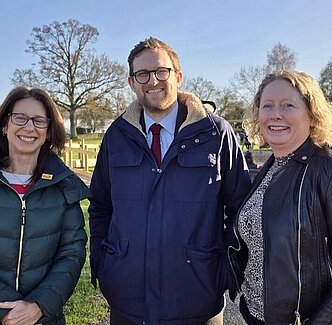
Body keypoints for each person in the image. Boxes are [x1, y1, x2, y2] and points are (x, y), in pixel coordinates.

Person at [88, 37, 251, 325]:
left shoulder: (216, 133)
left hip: (198, 300)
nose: (153, 81)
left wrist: (225, 271)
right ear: (131, 82)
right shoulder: (117, 135)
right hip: (128, 301)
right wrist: (105, 264)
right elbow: (101, 205)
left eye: (161, 71)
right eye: (143, 74)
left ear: (178, 76)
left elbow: (241, 210)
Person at [228, 70, 332, 325]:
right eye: (267, 106)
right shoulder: (272, 166)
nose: (276, 114)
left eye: (288, 105)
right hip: (255, 316)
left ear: (311, 115)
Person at [0, 86, 89, 325]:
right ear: (4, 125)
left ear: (49, 132)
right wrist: (5, 310)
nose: (29, 127)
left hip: (42, 318)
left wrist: (38, 306)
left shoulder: (63, 187)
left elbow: (71, 254)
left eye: (39, 121)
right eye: (20, 118)